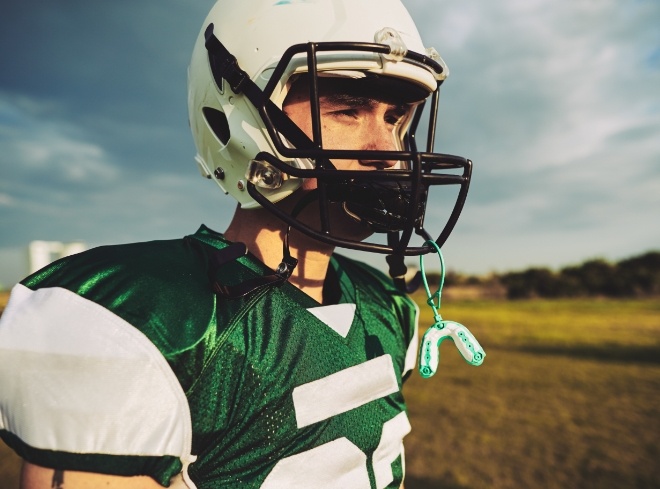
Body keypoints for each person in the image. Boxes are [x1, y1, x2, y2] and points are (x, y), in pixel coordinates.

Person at [0, 0, 472, 487]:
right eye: (348, 111)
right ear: (236, 118)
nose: (388, 152)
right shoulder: (141, 320)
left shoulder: (388, 306)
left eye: (395, 119)